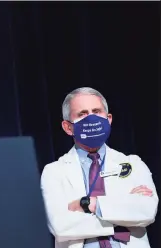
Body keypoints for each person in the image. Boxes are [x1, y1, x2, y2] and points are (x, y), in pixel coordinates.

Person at [41, 87, 158, 248]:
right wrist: (119, 222)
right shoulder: (53, 171)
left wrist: (91, 204)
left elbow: (146, 211)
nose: (91, 119)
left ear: (108, 119)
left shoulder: (133, 163)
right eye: (82, 114)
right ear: (68, 127)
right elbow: (60, 226)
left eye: (96, 111)